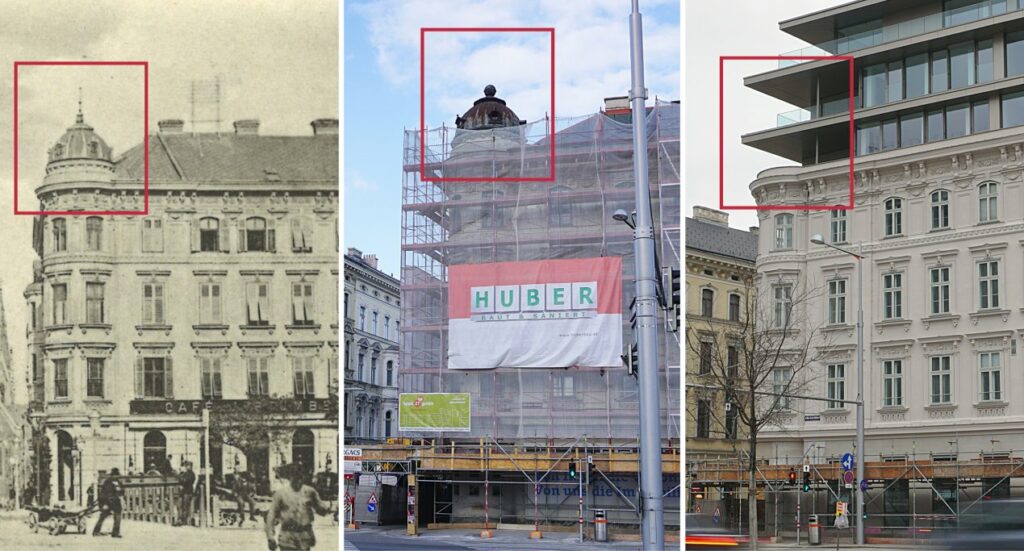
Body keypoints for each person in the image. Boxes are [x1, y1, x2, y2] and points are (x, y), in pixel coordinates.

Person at [265, 463, 332, 551]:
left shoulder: (310, 492)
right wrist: (270, 537)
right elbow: (271, 515)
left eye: (300, 477)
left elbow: (321, 511)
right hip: (287, 538)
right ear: (290, 477)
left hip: (305, 538)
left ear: (303, 477)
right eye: (295, 477)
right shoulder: (281, 494)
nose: (298, 480)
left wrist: (328, 509)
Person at [92, 468, 123, 538]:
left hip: (116, 502)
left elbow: (122, 491)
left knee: (118, 517)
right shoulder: (108, 482)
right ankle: (96, 531)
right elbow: (104, 493)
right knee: (102, 516)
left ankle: (115, 532)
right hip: (108, 502)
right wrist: (104, 504)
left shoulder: (118, 482)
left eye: (117, 475)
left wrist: (120, 492)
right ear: (113, 475)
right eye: (115, 475)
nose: (116, 477)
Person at [177, 461, 196, 527]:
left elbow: (185, 481)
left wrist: (181, 475)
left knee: (185, 506)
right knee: (179, 506)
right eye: (186, 466)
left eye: (188, 466)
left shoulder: (191, 474)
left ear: (190, 466)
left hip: (188, 492)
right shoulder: (185, 473)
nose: (186, 467)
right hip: (184, 492)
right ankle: (180, 519)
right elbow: (180, 480)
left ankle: (184, 521)